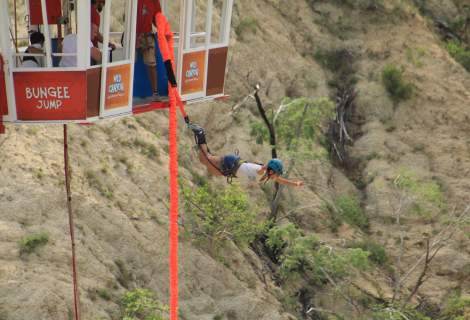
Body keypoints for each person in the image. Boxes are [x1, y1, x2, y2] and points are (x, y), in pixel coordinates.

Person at [189, 124, 304, 187]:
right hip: (230, 163)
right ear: (270, 170)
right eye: (276, 173)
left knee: (212, 169)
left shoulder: (269, 176)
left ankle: (201, 146)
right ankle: (200, 133)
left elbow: (282, 181)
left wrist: (295, 184)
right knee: (205, 159)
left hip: (231, 169)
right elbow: (263, 169)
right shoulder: (262, 171)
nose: (277, 176)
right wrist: (266, 167)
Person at [136, 0, 161, 101]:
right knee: (129, 61)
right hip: (134, 35)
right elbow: (127, 17)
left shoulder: (155, 2)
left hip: (147, 36)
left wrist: (162, 29)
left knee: (152, 63)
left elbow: (157, 19)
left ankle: (155, 93)